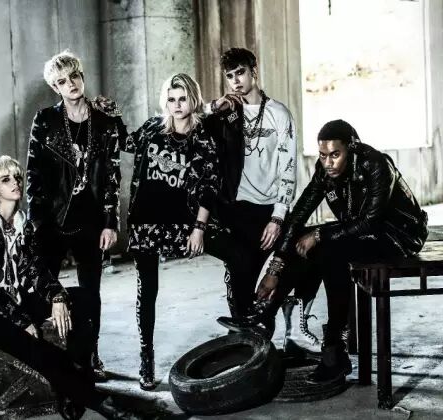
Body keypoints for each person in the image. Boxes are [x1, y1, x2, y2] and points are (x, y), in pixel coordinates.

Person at [0, 156, 130, 419]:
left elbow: (35, 268)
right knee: (38, 350)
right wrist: (22, 320)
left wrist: (57, 296)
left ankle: (74, 385)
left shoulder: (20, 222)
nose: (16, 183)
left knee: (86, 299)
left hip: (15, 301)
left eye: (17, 177)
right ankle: (99, 402)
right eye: (6, 179)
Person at [256, 119, 429, 382]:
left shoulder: (376, 164)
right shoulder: (325, 170)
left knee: (328, 251)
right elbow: (299, 213)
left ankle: (335, 351)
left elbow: (370, 221)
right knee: (304, 241)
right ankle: (267, 315)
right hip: (359, 232)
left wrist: (319, 235)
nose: (328, 163)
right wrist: (274, 269)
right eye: (323, 155)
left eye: (335, 155)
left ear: (352, 148)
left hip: (398, 236)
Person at [26, 51, 126, 381]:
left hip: (90, 220)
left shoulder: (104, 121)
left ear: (81, 76)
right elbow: (33, 175)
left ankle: (90, 355)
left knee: (91, 292)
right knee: (44, 289)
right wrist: (37, 223)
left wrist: (111, 222)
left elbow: (112, 175)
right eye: (61, 81)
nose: (70, 84)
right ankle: (47, 356)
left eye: (74, 76)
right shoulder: (45, 121)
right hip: (52, 220)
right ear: (55, 88)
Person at [122, 73, 219, 390]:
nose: (177, 105)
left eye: (182, 98)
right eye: (171, 99)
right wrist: (108, 114)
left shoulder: (203, 138)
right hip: (145, 222)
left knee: (233, 253)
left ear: (193, 99)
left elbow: (210, 187)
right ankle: (146, 356)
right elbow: (125, 142)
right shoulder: (152, 128)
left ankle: (244, 331)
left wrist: (199, 228)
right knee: (147, 289)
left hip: (181, 224)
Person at [204, 47, 297, 332]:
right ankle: (247, 333)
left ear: (253, 71)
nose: (236, 81)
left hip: (268, 209)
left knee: (293, 259)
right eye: (230, 76)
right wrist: (213, 107)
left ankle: (273, 317)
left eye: (241, 72)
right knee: (241, 279)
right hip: (236, 208)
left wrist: (278, 216)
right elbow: (189, 122)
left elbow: (288, 167)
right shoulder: (226, 113)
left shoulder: (279, 113)